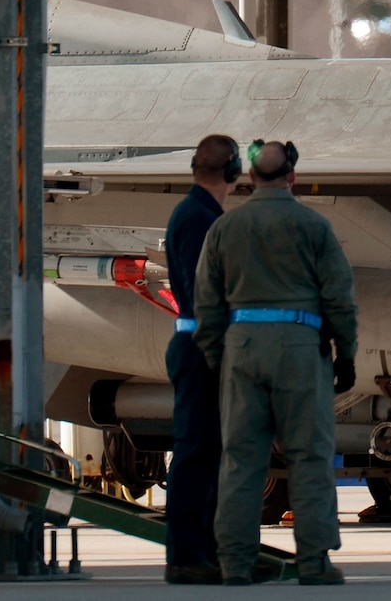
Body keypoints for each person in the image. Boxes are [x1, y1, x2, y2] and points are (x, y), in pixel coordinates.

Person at [195, 140, 357, 587]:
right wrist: (347, 354)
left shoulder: (224, 229)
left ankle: (235, 563)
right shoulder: (314, 226)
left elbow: (205, 302)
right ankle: (314, 563)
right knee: (308, 457)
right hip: (300, 349)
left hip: (242, 347)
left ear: (248, 177)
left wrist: (216, 357)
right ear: (292, 176)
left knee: (242, 460)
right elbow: (340, 298)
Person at [163, 134, 240, 585]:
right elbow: (201, 293)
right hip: (201, 348)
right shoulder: (198, 218)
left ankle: (202, 551)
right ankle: (187, 556)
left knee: (207, 452)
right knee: (195, 452)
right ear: (230, 172)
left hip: (201, 344)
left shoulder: (201, 214)